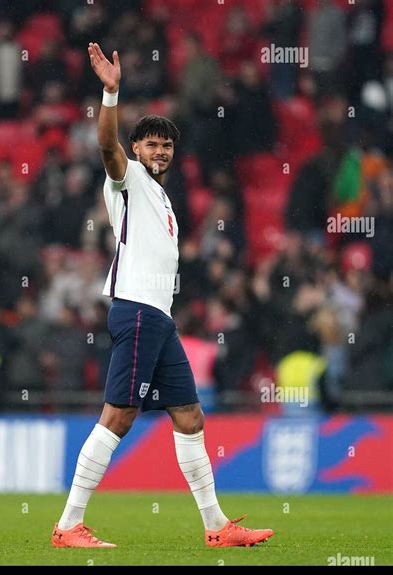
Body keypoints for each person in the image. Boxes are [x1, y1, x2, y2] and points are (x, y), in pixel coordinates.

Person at [51, 42, 274, 549]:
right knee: (119, 416)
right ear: (136, 150)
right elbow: (107, 147)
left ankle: (217, 527)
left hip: (159, 319)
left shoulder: (165, 199)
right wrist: (111, 94)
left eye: (166, 146)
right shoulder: (125, 179)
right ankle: (67, 526)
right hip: (134, 312)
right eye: (150, 144)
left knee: (190, 415)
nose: (159, 151)